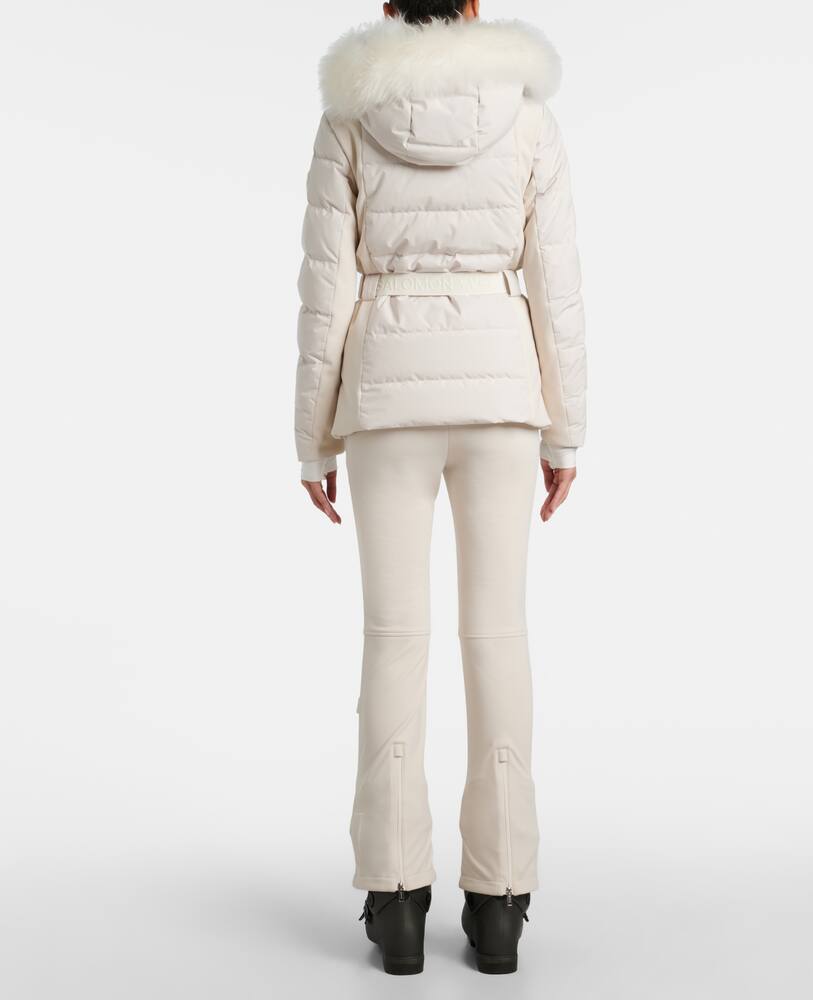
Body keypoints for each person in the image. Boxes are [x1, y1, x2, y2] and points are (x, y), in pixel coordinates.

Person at [294, 0, 586, 975]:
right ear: (472, 4)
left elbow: (325, 290)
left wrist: (312, 439)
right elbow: (556, 285)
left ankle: (395, 901)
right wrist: (565, 427)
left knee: (394, 641)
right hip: (501, 394)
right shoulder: (527, 113)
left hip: (385, 396)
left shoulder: (348, 115)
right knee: (497, 637)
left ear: (388, 6)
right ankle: (500, 904)